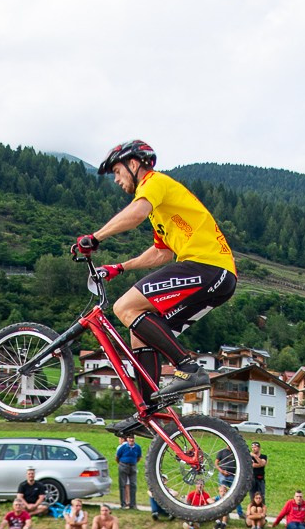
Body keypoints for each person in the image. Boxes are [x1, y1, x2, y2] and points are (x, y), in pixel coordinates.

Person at [72, 140, 238, 404]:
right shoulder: (160, 209)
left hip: (207, 266)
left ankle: (189, 369)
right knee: (139, 330)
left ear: (134, 164)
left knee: (124, 307)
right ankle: (150, 406)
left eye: (117, 171)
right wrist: (120, 267)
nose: (116, 179)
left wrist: (96, 237)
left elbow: (136, 213)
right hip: (218, 279)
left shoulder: (154, 183)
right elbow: (162, 253)